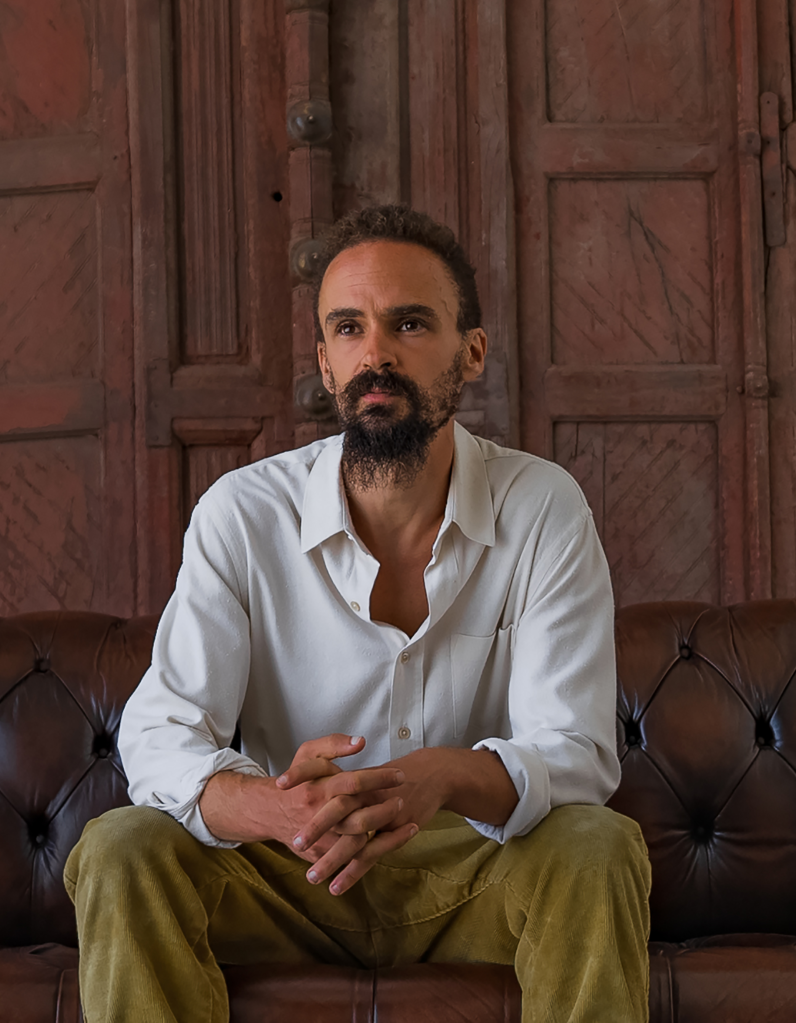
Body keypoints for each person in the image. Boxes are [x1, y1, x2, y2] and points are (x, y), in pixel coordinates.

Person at [65, 204, 651, 1022]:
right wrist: (277, 805)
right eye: (348, 328)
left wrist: (443, 775)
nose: (375, 354)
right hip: (286, 872)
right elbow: (160, 734)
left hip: (472, 872)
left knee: (597, 846)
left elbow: (579, 753)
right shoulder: (242, 513)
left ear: (471, 351)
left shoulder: (545, 507)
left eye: (409, 323)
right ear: (325, 360)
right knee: (122, 847)